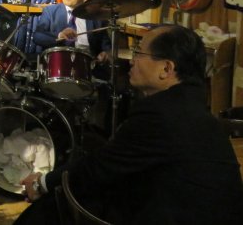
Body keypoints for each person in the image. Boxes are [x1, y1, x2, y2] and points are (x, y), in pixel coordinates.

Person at [16, 25, 243, 225]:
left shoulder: (161, 114)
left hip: (184, 216)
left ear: (166, 69)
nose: (132, 60)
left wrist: (42, 183)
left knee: (53, 207)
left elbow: (100, 167)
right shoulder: (189, 104)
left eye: (139, 53)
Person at [33, 0, 110, 61]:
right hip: (58, 62)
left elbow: (106, 46)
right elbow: (37, 36)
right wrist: (59, 36)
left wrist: (105, 53)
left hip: (87, 63)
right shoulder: (50, 11)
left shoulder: (94, 17)